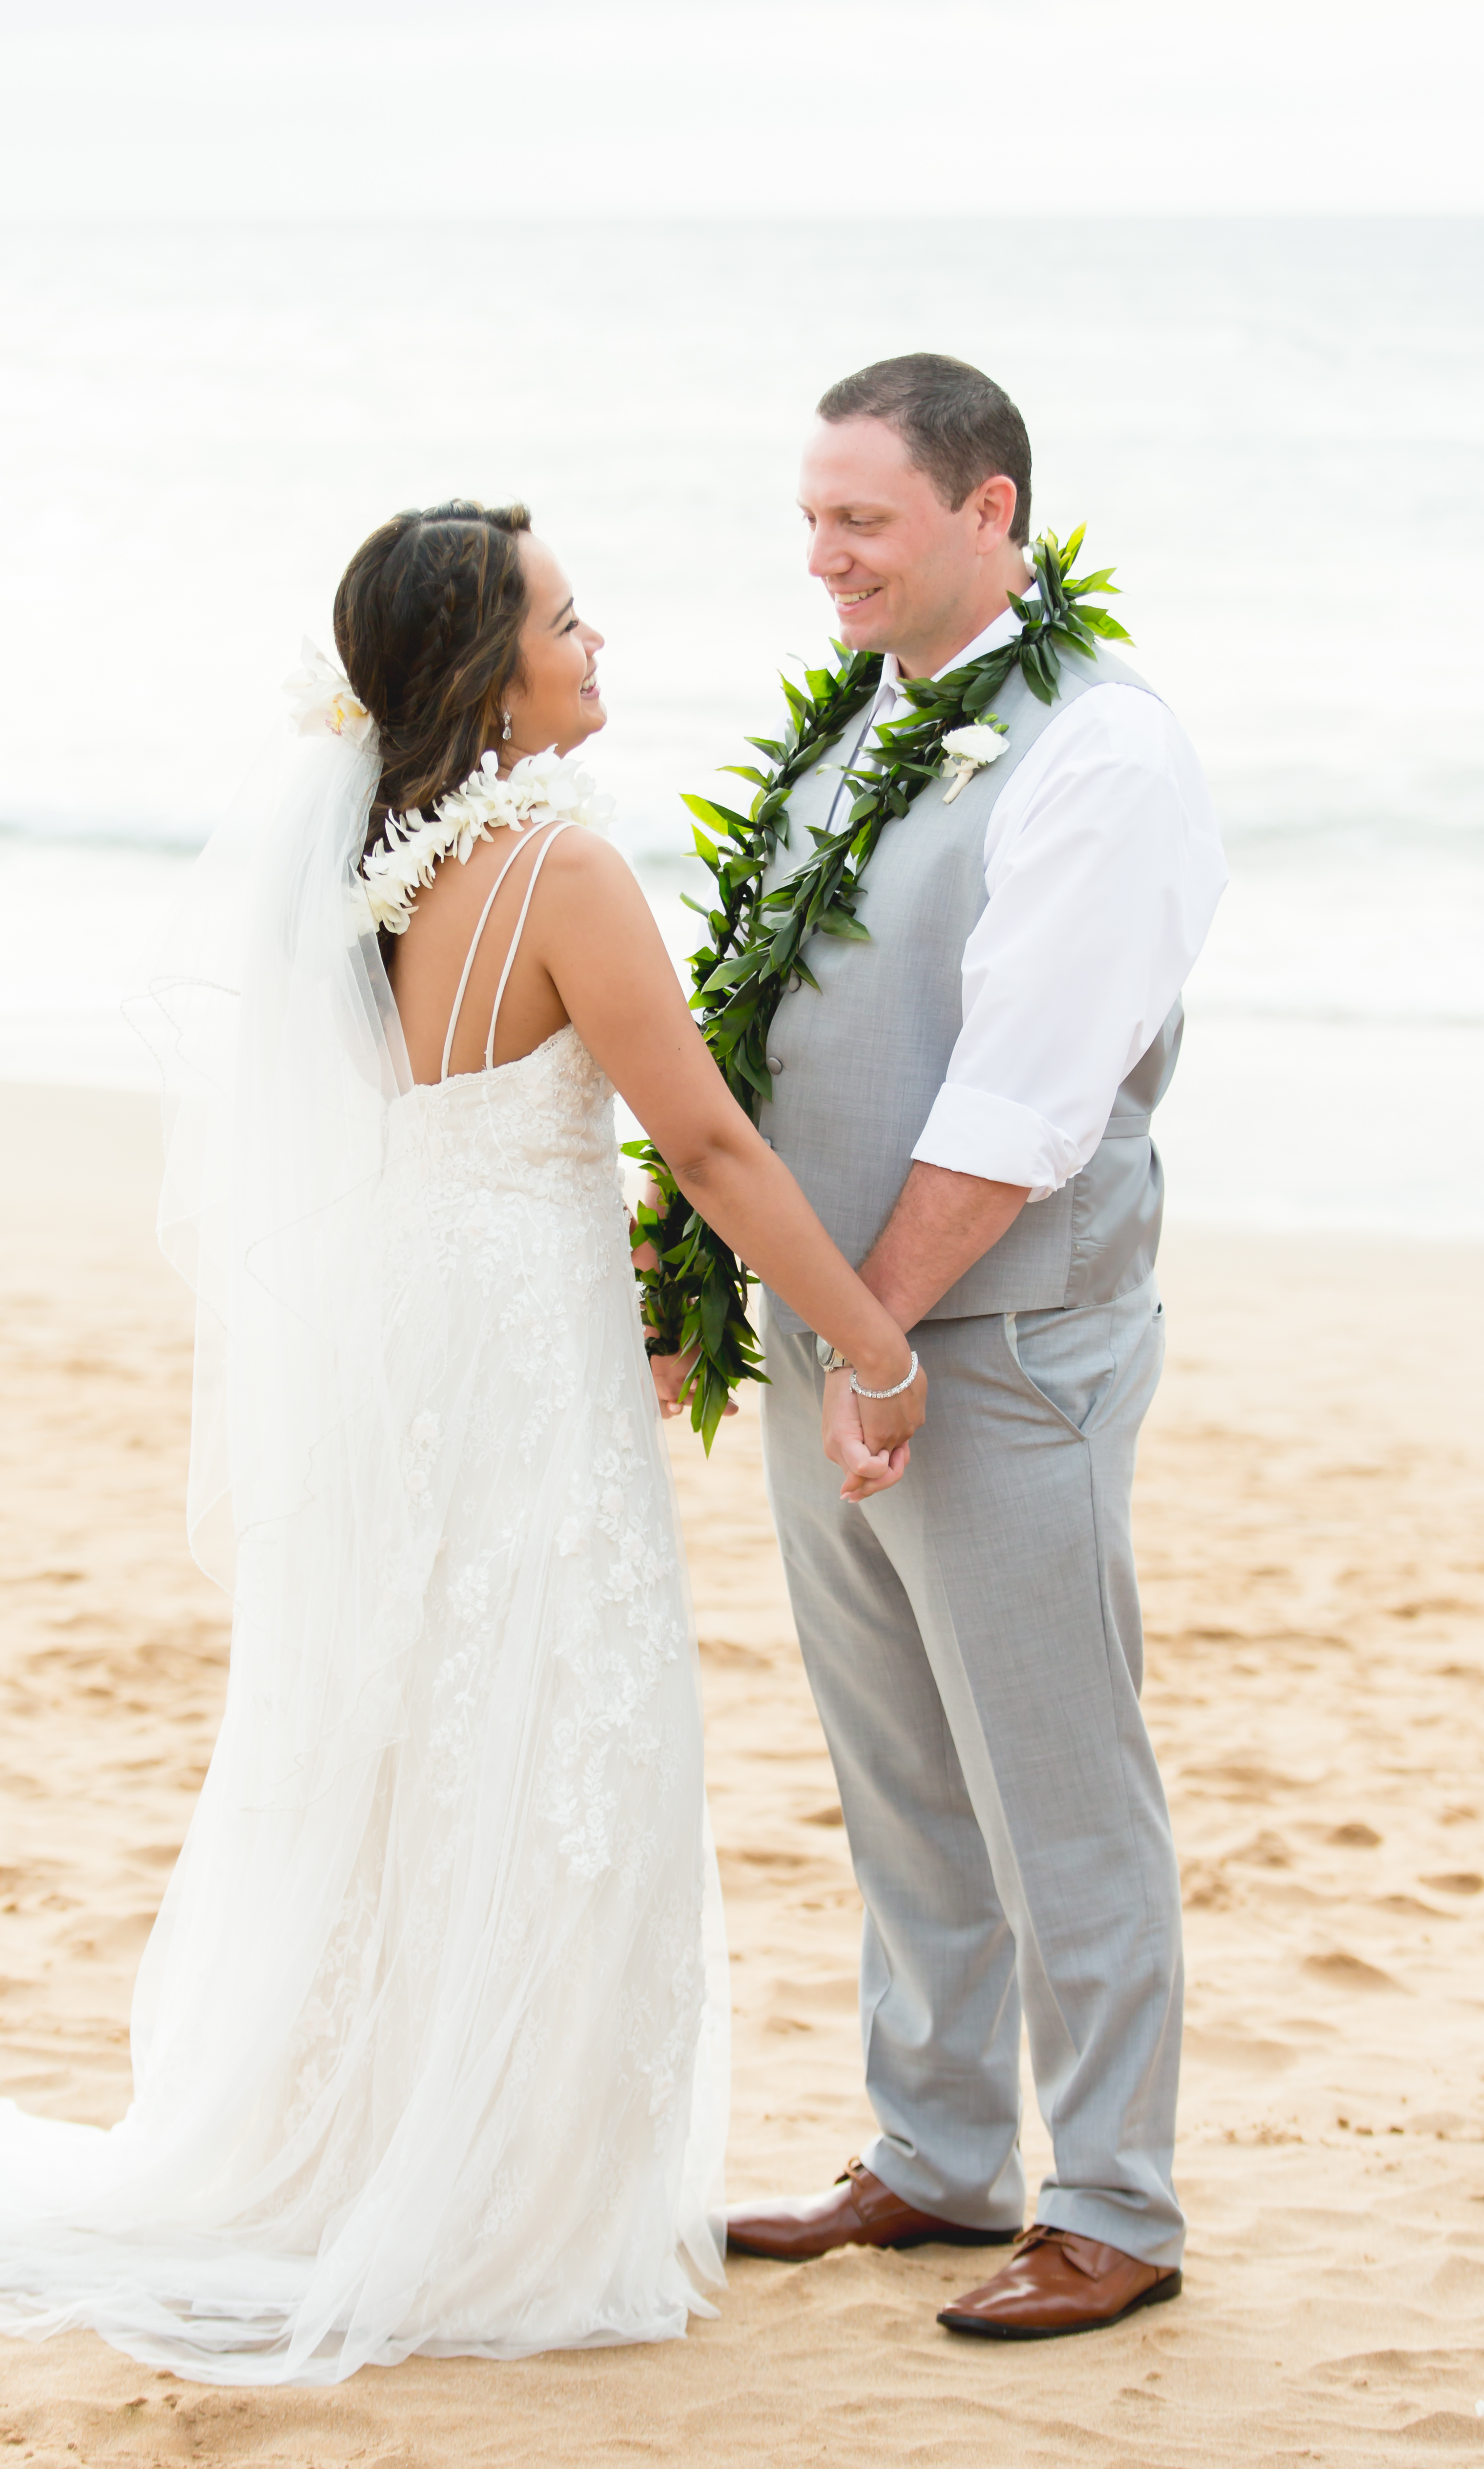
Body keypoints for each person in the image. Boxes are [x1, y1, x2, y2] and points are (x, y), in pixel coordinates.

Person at [0, 499, 923, 2386]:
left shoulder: (374, 868)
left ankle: (390, 2140)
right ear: (490, 672)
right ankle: (497, 2187)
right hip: (522, 1363)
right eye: (569, 618)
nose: (599, 641)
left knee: (415, 1733)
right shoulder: (560, 863)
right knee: (549, 1722)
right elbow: (707, 1149)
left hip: (417, 1351)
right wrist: (869, 1344)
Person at [700, 357, 1227, 2339]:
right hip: (846, 1342)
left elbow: (1022, 1101)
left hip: (994, 1351)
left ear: (988, 510)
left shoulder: (1099, 751)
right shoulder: (862, 729)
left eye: (865, 520)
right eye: (813, 517)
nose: (824, 555)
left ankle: (1115, 2198)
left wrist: (881, 1339)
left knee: (1058, 1778)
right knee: (900, 1774)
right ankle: (935, 2154)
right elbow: (763, 1032)